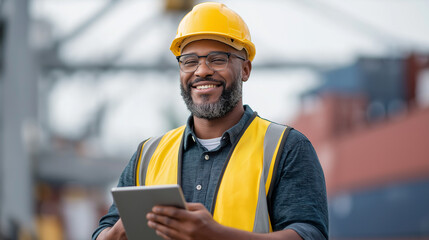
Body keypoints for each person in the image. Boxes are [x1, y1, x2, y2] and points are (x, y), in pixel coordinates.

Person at [92, 2, 328, 240]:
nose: (201, 71)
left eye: (217, 59)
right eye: (190, 61)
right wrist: (117, 234)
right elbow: (103, 232)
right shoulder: (147, 155)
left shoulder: (286, 148)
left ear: (245, 69)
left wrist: (214, 235)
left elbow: (309, 235)